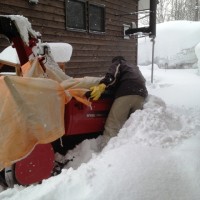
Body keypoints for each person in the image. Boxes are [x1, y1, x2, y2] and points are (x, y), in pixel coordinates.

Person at [90, 56, 148, 142]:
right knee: (132, 125)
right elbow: (142, 80)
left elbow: (112, 75)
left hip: (127, 93)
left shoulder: (118, 63)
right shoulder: (133, 67)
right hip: (141, 95)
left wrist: (103, 85)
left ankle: (108, 152)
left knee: (113, 125)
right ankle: (130, 148)